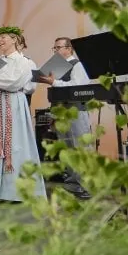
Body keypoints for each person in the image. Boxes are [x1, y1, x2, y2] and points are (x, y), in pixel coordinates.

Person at [0, 26, 46, 202]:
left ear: (14, 39)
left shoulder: (24, 62)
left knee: (15, 145)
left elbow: (14, 82)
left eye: (3, 37)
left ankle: (15, 192)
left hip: (13, 104)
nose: (0, 40)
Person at [38, 36, 91, 199]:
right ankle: (72, 182)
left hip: (75, 112)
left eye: (58, 47)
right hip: (61, 113)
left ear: (69, 49)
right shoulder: (57, 67)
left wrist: (55, 83)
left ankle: (86, 185)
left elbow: (78, 88)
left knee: (79, 148)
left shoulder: (77, 65)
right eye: (54, 48)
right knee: (67, 149)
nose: (56, 51)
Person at [18, 35, 37, 108]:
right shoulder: (3, 60)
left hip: (22, 104)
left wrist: (11, 87)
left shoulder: (29, 63)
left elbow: (31, 87)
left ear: (21, 46)